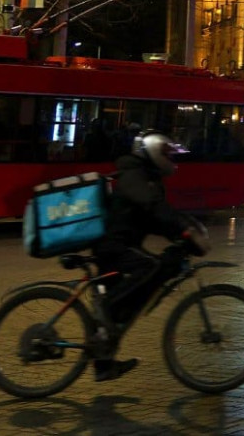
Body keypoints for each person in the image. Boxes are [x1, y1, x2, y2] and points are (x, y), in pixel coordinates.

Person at [91, 131, 211, 382]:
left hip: (119, 245)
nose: (171, 160)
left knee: (118, 316)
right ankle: (106, 306)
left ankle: (103, 365)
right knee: (149, 268)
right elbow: (155, 209)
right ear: (154, 152)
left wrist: (179, 234)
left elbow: (153, 219)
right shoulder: (135, 176)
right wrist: (184, 228)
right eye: (167, 154)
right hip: (113, 247)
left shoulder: (144, 176)